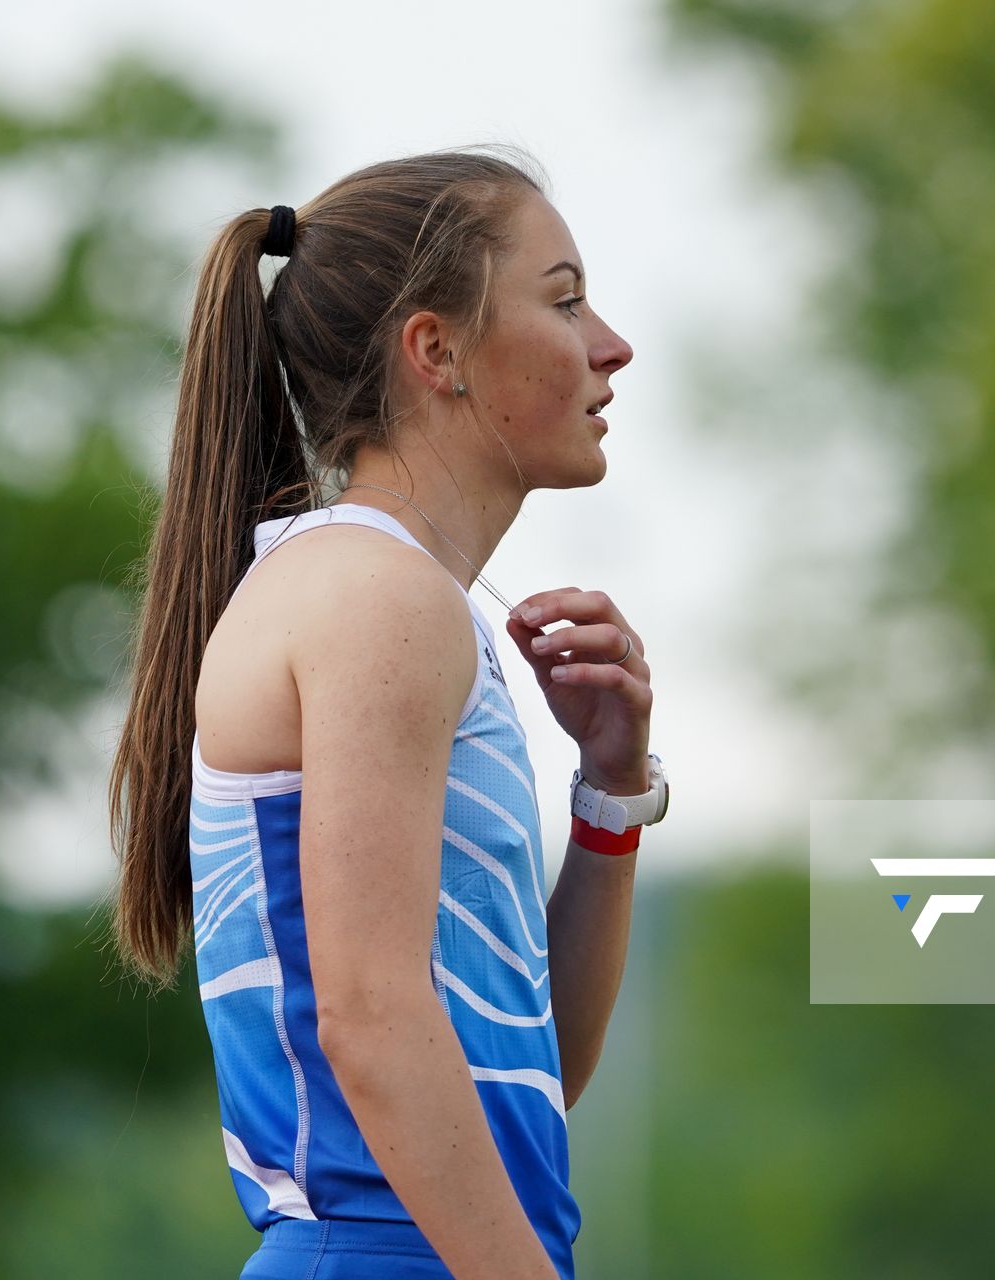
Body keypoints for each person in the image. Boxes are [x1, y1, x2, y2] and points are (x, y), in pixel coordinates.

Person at [104, 145, 669, 1280]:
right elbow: (368, 1020)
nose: (611, 344)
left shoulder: (399, 599)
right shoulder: (380, 596)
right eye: (564, 301)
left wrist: (610, 798)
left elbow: (530, 1069)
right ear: (436, 349)